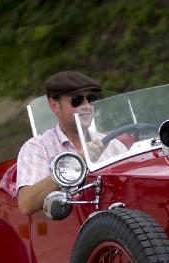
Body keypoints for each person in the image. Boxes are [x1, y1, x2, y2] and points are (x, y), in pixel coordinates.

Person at [16, 71, 126, 216]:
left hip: (120, 226)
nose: (87, 106)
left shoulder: (114, 144)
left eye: (91, 99)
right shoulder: (37, 147)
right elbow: (26, 204)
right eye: (77, 100)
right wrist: (76, 162)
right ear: (54, 106)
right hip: (67, 231)